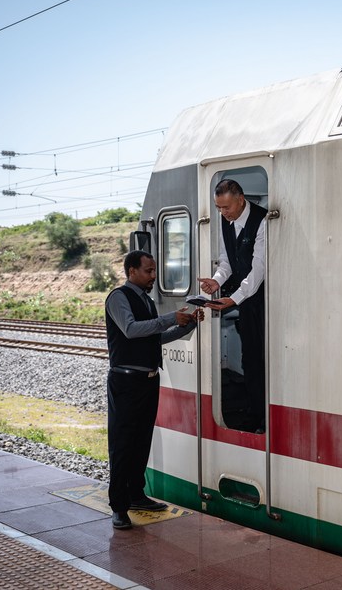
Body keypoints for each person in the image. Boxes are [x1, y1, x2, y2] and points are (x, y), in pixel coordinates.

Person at [105, 250, 204, 530]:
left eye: (154, 271)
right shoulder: (118, 298)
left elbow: (155, 337)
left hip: (148, 380)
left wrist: (188, 323)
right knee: (123, 444)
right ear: (131, 271)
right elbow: (131, 330)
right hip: (126, 382)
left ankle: (136, 495)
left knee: (141, 441)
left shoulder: (145, 301)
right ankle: (119, 507)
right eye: (148, 271)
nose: (153, 276)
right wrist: (173, 317)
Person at [198, 179, 267, 433]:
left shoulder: (262, 221)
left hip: (265, 302)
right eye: (218, 208)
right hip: (246, 303)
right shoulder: (226, 222)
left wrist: (233, 299)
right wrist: (216, 282)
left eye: (226, 207)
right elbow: (227, 261)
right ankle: (255, 413)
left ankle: (266, 418)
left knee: (264, 359)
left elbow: (259, 269)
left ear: (240, 199)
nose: (222, 213)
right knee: (250, 359)